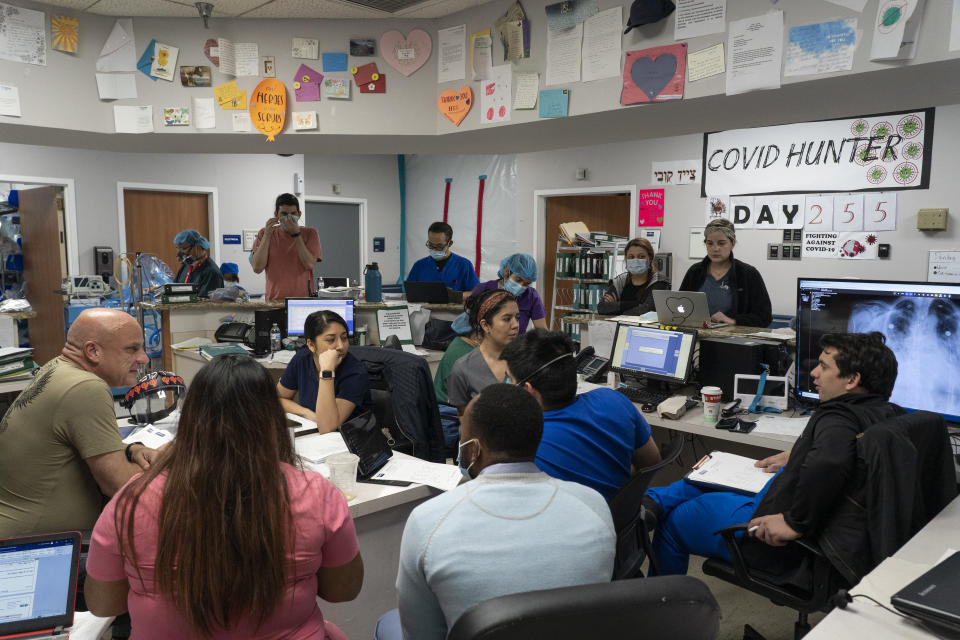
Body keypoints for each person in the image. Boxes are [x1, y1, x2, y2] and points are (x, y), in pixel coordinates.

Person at [85, 354, 364, 639]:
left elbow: (104, 603)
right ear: (272, 419)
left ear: (190, 418)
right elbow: (343, 590)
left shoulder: (133, 499)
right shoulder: (316, 495)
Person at [645, 332, 901, 586]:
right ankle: (647, 505)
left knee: (673, 523)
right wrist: (799, 456)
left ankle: (656, 611)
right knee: (699, 481)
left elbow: (829, 464)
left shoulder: (838, 418)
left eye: (824, 367)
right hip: (804, 506)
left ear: (852, 379)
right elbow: (847, 460)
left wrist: (794, 522)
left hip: (774, 528)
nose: (814, 373)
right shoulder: (887, 414)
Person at [375, 384, 615, 640]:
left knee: (387, 623)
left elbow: (421, 634)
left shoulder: (428, 521)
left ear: (474, 449)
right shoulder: (594, 505)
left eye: (462, 438)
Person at [0, 309, 157, 537]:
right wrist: (170, 460)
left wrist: (132, 450)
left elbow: (78, 441)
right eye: (132, 349)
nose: (144, 358)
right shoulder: (86, 387)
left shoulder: (57, 367)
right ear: (92, 351)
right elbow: (120, 484)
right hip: (40, 548)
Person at [502, 329, 660, 499]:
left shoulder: (525, 447)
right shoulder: (614, 400)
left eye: (509, 379)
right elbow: (652, 461)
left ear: (528, 390)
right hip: (622, 520)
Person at [277, 310, 373, 434]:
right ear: (311, 345)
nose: (341, 346)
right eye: (331, 340)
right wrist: (305, 412)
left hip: (351, 442)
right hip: (315, 434)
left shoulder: (355, 373)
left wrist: (327, 372)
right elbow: (277, 399)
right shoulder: (302, 359)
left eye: (344, 338)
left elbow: (328, 427)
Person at [679, 218, 772, 327]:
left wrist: (733, 321)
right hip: (698, 339)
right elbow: (680, 305)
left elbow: (764, 317)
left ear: (732, 243)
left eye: (721, 243)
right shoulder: (695, 272)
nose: (715, 248)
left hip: (732, 341)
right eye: (710, 243)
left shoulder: (748, 274)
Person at [446, 290, 519, 415]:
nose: (515, 325)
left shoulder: (525, 360)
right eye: (507, 319)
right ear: (485, 326)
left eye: (517, 318)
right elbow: (465, 423)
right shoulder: (463, 368)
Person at [251, 193, 322, 301]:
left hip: (302, 301)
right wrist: (267, 235)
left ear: (299, 214)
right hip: (274, 302)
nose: (289, 218)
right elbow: (257, 268)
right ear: (276, 215)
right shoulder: (264, 233)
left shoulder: (310, 233)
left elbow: (309, 264)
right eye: (284, 214)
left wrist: (296, 234)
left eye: (293, 213)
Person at [470, 253, 547, 334]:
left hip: (516, 345)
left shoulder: (531, 296)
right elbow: (469, 326)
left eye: (526, 284)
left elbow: (542, 333)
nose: (520, 286)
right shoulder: (483, 289)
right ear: (507, 272)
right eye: (518, 280)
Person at [598, 237, 670, 316]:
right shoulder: (621, 281)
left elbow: (647, 310)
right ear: (626, 259)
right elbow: (602, 308)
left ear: (650, 259)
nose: (636, 260)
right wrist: (637, 304)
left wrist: (616, 306)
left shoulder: (659, 282)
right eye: (631, 257)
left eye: (641, 256)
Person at [406, 221, 478, 291]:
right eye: (430, 245)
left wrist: (456, 297)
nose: (434, 249)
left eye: (439, 246)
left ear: (450, 243)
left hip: (454, 303)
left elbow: (476, 292)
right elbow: (409, 292)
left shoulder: (464, 265)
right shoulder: (419, 266)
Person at [173, 229, 223, 297]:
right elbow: (174, 288)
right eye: (178, 249)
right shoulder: (186, 266)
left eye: (183, 248)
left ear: (197, 246)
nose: (181, 253)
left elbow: (205, 303)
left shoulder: (212, 272)